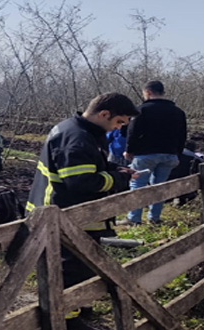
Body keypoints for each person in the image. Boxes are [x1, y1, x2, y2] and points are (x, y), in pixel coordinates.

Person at [26, 92, 140, 322]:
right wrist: (118, 180)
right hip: (63, 215)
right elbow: (81, 182)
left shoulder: (80, 131)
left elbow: (90, 163)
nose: (118, 129)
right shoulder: (77, 137)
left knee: (82, 267)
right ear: (104, 114)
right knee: (69, 270)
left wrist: (113, 168)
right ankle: (67, 319)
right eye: (118, 122)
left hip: (67, 214)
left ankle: (79, 309)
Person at [122, 80, 187, 225]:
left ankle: (134, 218)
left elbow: (132, 132)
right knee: (160, 186)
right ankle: (154, 217)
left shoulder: (142, 110)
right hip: (169, 154)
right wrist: (178, 153)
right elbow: (183, 135)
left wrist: (128, 150)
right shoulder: (178, 112)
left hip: (146, 154)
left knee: (137, 184)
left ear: (148, 92)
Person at [168, 140, 204, 205]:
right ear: (194, 148)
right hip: (187, 184)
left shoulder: (174, 154)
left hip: (168, 180)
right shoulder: (196, 159)